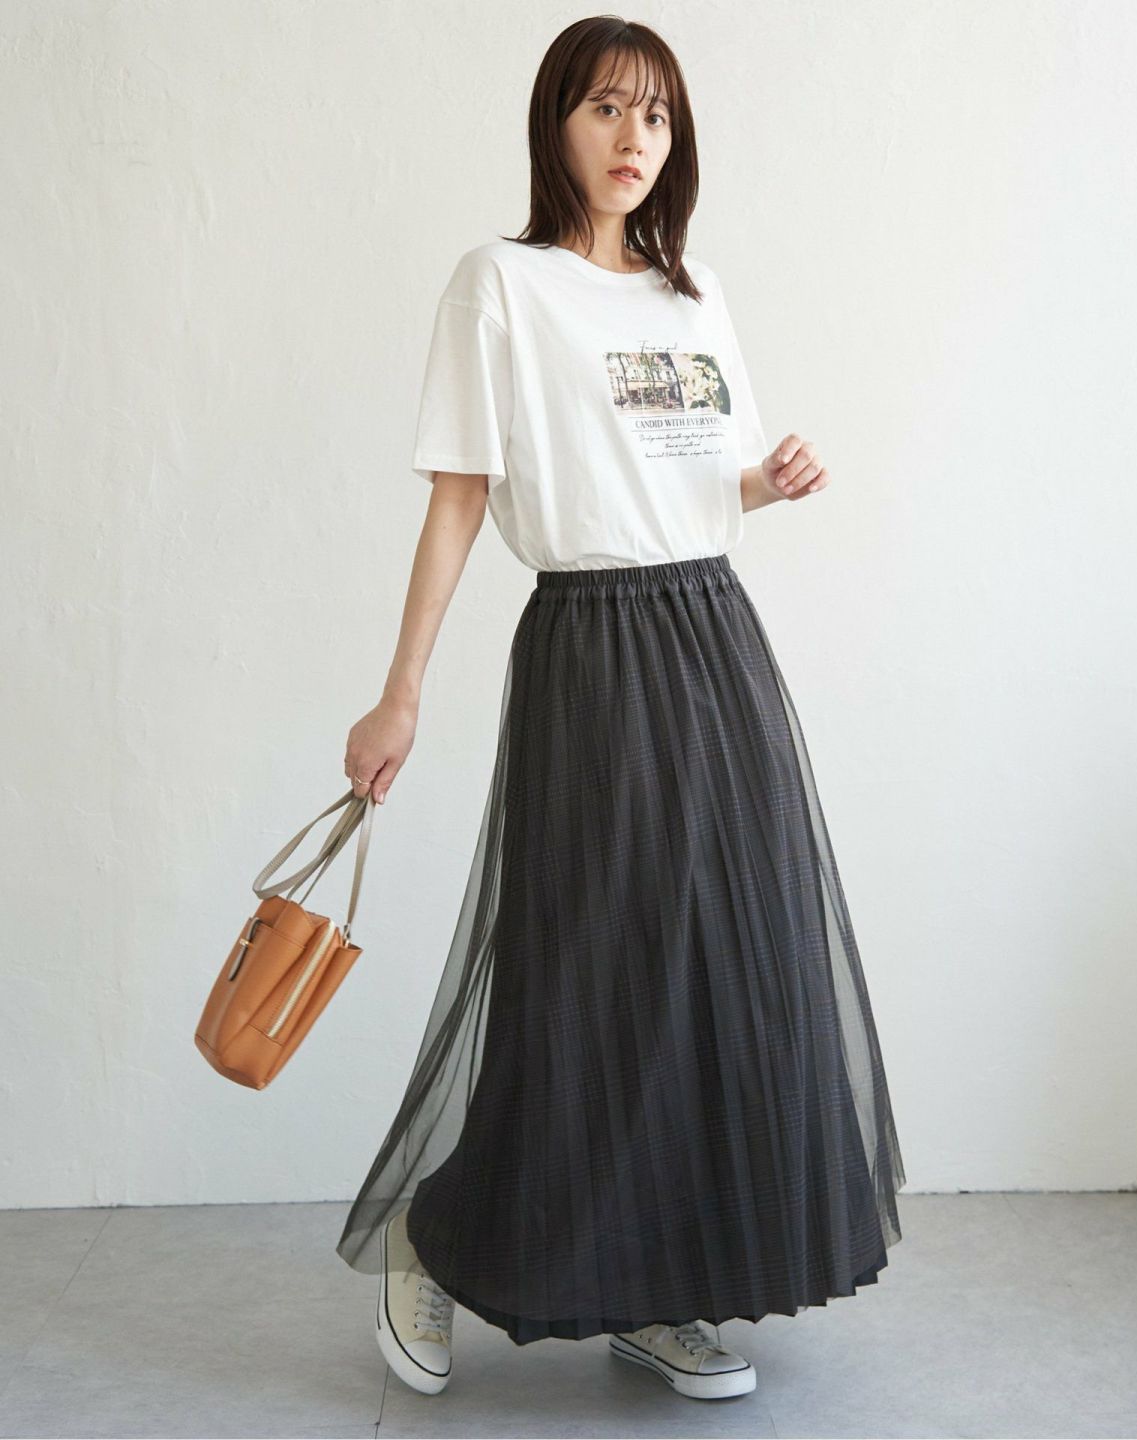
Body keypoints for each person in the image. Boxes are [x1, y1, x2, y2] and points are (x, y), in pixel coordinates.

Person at [334, 15, 905, 1403]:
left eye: (654, 114)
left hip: (715, 637)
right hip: (591, 647)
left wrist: (770, 480)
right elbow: (461, 495)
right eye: (604, 107)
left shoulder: (691, 296)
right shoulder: (502, 286)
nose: (632, 137)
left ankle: (659, 1289)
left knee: (723, 967)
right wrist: (400, 692)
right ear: (557, 124)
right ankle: (433, 1235)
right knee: (591, 977)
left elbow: (704, 478)